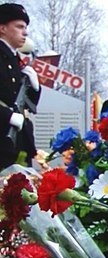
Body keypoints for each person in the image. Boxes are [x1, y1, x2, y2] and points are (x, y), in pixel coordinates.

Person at [0, 3, 41, 170]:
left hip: (19, 139)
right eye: (19, 27)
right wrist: (6, 116)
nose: (25, 32)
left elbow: (29, 104)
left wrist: (36, 88)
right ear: (2, 28)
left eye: (25, 27)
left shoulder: (16, 59)